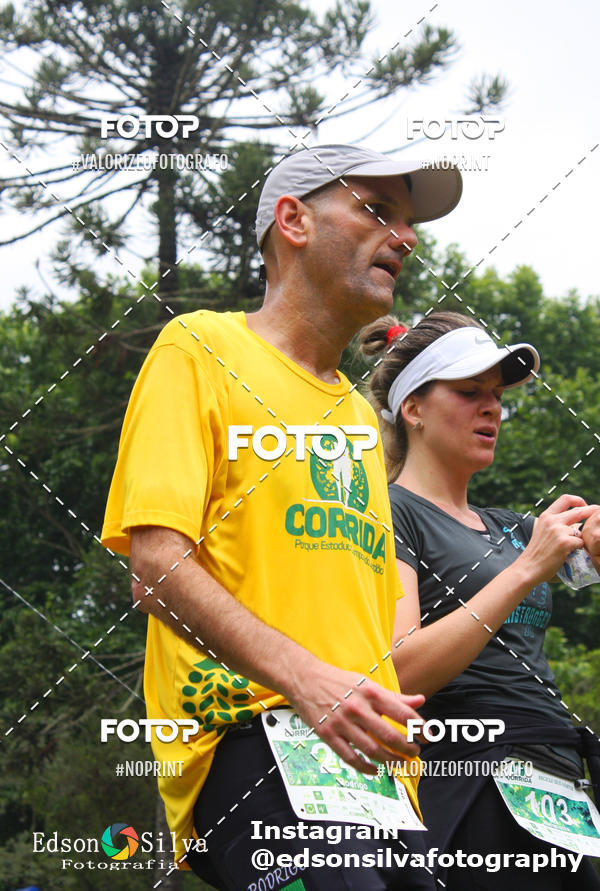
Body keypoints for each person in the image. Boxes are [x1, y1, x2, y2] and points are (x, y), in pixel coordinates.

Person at [100, 145, 463, 890]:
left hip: (382, 781)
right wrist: (307, 681)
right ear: (292, 220)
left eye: (408, 221)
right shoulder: (200, 347)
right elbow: (155, 565)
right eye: (376, 209)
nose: (407, 237)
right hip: (255, 740)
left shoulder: (361, 422)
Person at [362, 310, 600, 889]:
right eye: (469, 392)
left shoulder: (511, 529)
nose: (492, 408)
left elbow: (573, 560)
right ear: (412, 409)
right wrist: (525, 570)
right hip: (470, 781)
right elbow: (399, 668)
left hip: (561, 783)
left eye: (495, 395)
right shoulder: (388, 512)